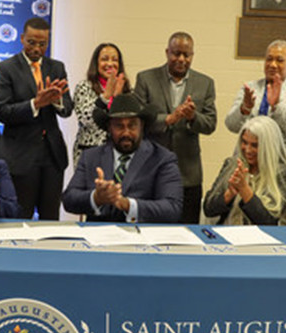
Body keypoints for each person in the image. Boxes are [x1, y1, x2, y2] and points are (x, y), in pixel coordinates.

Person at [0, 17, 73, 220]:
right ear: (22, 39)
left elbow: (67, 109)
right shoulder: (5, 68)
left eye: (42, 44)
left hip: (52, 156)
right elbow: (1, 110)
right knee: (20, 218)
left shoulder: (57, 67)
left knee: (50, 220)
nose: (37, 48)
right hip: (20, 156)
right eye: (31, 42)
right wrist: (35, 104)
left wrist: (56, 101)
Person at [134, 31, 217, 224]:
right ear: (167, 52)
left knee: (187, 232)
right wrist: (169, 119)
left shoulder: (205, 83)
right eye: (176, 53)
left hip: (188, 173)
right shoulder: (146, 79)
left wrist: (192, 117)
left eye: (186, 55)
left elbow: (210, 124)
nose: (181, 59)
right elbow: (138, 120)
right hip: (151, 170)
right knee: (151, 230)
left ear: (192, 56)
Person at [62, 94, 183, 223]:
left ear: (141, 126)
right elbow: (69, 199)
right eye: (119, 126)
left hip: (142, 237)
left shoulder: (162, 158)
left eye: (132, 125)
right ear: (109, 128)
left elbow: (172, 209)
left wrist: (128, 205)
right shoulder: (91, 156)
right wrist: (96, 198)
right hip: (99, 237)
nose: (126, 133)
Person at [225, 39, 286, 206]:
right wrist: (244, 109)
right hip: (248, 172)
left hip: (282, 174)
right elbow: (231, 125)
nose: (272, 64)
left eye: (279, 60)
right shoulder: (249, 88)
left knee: (278, 225)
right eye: (268, 59)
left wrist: (278, 107)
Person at [203, 116, 286, 225]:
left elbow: (268, 222)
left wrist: (244, 189)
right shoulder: (232, 165)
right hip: (227, 234)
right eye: (244, 142)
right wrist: (229, 194)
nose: (247, 150)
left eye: (254, 145)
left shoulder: (283, 174)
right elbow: (208, 209)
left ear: (268, 147)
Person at [72, 42, 132, 168]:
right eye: (104, 59)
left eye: (114, 60)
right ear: (96, 63)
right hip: (89, 152)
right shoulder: (84, 86)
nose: (110, 64)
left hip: (118, 153)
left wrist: (117, 98)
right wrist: (106, 96)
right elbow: (85, 119)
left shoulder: (126, 88)